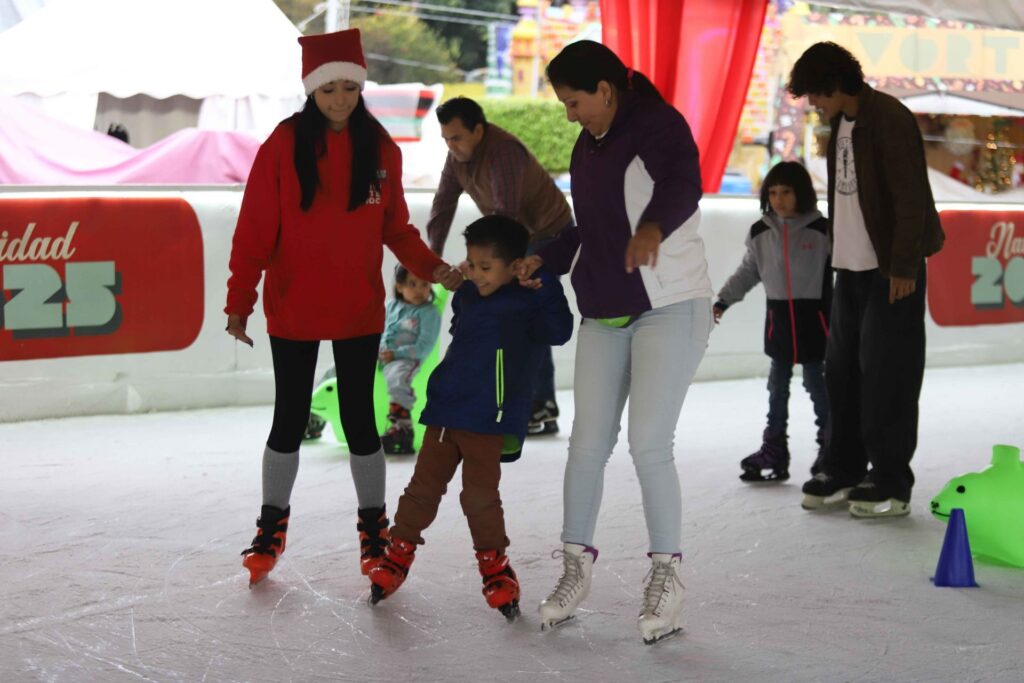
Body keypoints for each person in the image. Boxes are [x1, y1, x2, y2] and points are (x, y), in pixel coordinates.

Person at [224, 28, 463, 587]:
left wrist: (434, 268)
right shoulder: (283, 144)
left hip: (357, 308)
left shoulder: (379, 148)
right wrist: (240, 301)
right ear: (311, 89)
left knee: (360, 419)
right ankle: (271, 525)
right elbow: (254, 231)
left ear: (361, 88)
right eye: (328, 89)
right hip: (294, 306)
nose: (339, 99)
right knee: (289, 417)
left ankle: (373, 529)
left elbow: (396, 229)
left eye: (349, 88)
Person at [517, 41, 713, 644]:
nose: (569, 115)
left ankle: (667, 576)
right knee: (586, 444)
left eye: (574, 102)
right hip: (604, 311)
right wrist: (545, 257)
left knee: (649, 443)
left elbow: (683, 184)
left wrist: (652, 227)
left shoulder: (657, 125)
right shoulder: (588, 145)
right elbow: (590, 228)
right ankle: (575, 568)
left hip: (670, 304)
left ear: (605, 90)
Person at [367, 215, 574, 620]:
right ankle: (397, 554)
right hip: (447, 410)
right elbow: (462, 333)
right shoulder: (469, 294)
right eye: (471, 263)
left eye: (485, 267)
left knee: (480, 498)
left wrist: (546, 283)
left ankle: (495, 567)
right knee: (421, 490)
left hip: (487, 419)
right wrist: (461, 282)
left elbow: (560, 331)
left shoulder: (529, 299)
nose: (475, 273)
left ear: (515, 265)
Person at [786, 42, 944, 518]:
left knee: (887, 376)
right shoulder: (840, 124)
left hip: (890, 270)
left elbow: (911, 197)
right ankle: (844, 467)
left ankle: (891, 479)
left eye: (816, 93)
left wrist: (903, 266)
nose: (814, 103)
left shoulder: (889, 117)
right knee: (842, 374)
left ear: (835, 83)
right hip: (849, 268)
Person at [426, 96, 574, 436]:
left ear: (479, 130)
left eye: (457, 138)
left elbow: (506, 216)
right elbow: (442, 205)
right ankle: (523, 401)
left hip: (547, 234)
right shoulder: (457, 156)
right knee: (507, 312)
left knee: (525, 310)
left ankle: (540, 404)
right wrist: (433, 261)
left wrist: (477, 264)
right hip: (511, 235)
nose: (451, 146)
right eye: (446, 139)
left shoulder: (503, 151)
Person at [713, 161, 831, 483]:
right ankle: (774, 447)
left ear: (801, 193)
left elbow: (847, 271)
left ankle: (831, 447)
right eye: (774, 192)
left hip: (816, 324)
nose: (779, 199)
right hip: (778, 324)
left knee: (817, 386)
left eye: (786, 192)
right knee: (777, 387)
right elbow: (748, 272)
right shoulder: (760, 232)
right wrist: (723, 300)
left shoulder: (823, 231)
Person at [378, 265, 442, 455]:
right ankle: (313, 413)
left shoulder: (429, 313)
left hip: (407, 359)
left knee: (398, 377)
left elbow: (424, 346)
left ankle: (402, 427)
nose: (419, 290)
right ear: (399, 286)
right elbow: (379, 330)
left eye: (424, 285)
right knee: (339, 368)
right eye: (412, 284)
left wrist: (396, 354)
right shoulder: (391, 306)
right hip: (383, 355)